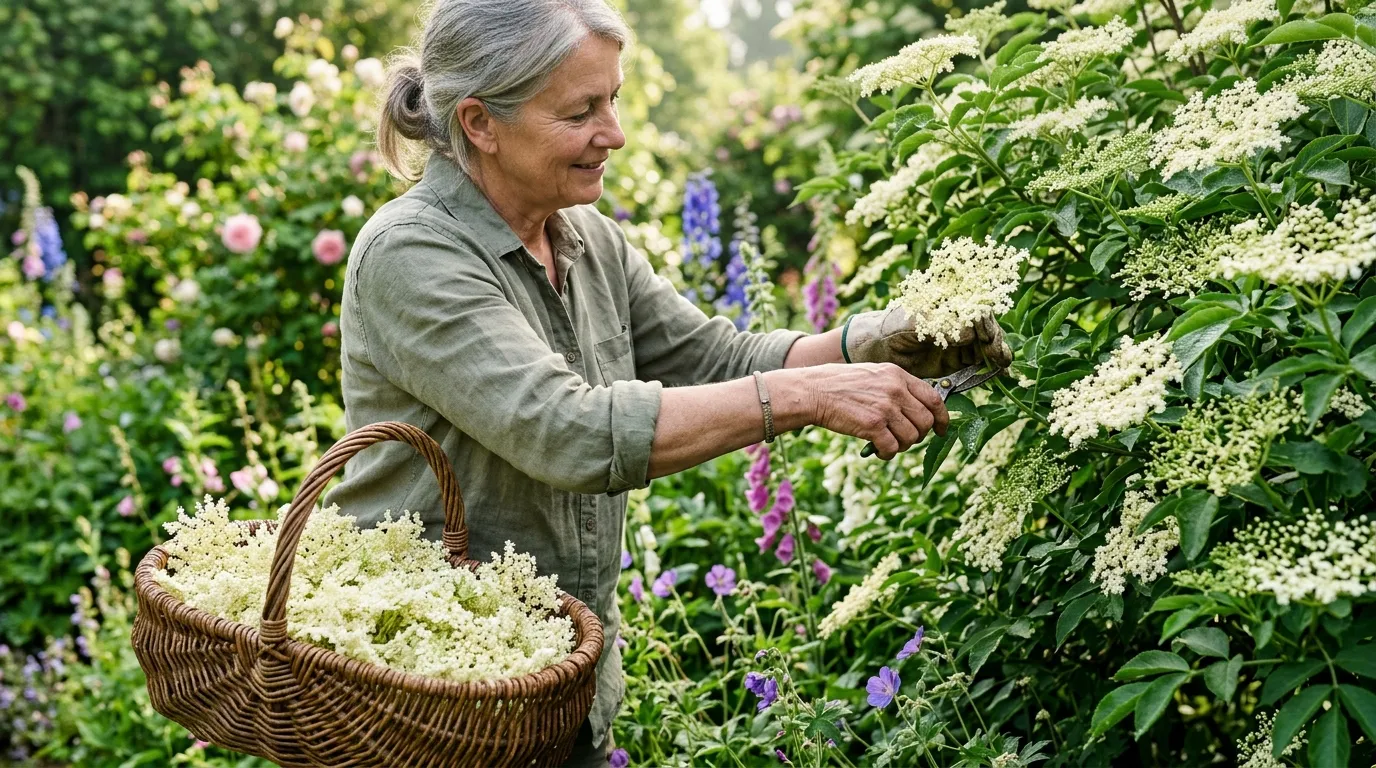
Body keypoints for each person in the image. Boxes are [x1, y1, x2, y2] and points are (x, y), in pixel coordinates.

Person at [322, 0, 1011, 764]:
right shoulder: (411, 254)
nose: (613, 133)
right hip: (430, 701)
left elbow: (717, 358)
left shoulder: (586, 240)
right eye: (581, 110)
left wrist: (877, 342)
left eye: (612, 100)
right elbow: (569, 431)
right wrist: (812, 397)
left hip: (556, 690)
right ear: (481, 123)